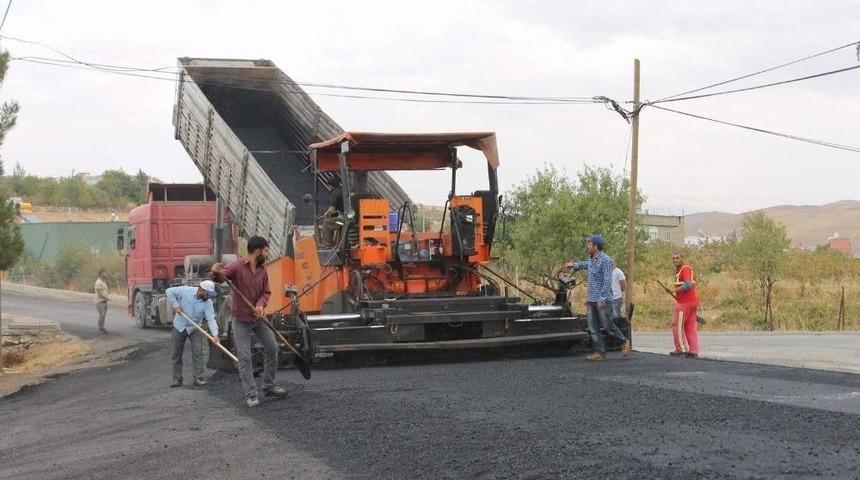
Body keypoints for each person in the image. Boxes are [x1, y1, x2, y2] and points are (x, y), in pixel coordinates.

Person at [211, 236, 287, 407]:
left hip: (258, 318)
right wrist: (215, 272)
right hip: (241, 321)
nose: (267, 254)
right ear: (258, 251)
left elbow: (266, 293)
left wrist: (260, 305)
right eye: (266, 251)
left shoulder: (263, 270)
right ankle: (251, 394)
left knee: (272, 348)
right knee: (244, 357)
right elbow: (221, 277)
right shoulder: (237, 267)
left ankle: (269, 386)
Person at [564, 235, 631, 361]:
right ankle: (600, 352)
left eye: (589, 244)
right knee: (593, 327)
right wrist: (573, 265)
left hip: (603, 300)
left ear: (595, 246)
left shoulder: (606, 260)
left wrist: (602, 298)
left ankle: (623, 341)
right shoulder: (591, 259)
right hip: (591, 299)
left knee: (607, 326)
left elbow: (607, 280)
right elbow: (585, 264)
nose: (587, 246)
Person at [166, 280, 219, 388]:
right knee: (176, 353)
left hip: (195, 327)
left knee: (198, 352)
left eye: (210, 295)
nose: (209, 296)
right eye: (207, 294)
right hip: (180, 325)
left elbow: (211, 320)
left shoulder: (208, 303)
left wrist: (215, 335)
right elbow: (169, 291)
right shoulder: (185, 291)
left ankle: (198, 378)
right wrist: (176, 305)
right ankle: (177, 379)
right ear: (201, 290)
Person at [669, 251, 700, 358]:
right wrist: (676, 291)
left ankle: (681, 349)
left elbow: (688, 285)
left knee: (676, 325)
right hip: (692, 301)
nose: (675, 260)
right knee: (689, 327)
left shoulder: (685, 269)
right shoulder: (680, 270)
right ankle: (693, 351)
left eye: (677, 258)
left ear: (683, 258)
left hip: (685, 303)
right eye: (673, 258)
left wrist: (674, 290)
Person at [320, 177, 345, 248]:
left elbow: (332, 209)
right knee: (330, 220)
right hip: (347, 215)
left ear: (331, 185)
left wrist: (325, 214)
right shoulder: (343, 190)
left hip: (342, 219)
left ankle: (327, 244)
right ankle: (333, 242)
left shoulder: (335, 193)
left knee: (326, 223)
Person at [94, 269, 110, 335]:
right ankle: (99, 329)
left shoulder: (103, 282)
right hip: (99, 302)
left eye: (106, 273)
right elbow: (99, 292)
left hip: (104, 302)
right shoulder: (98, 282)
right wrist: (105, 297)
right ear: (101, 274)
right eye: (104, 273)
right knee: (101, 315)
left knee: (103, 316)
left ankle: (102, 328)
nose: (106, 274)